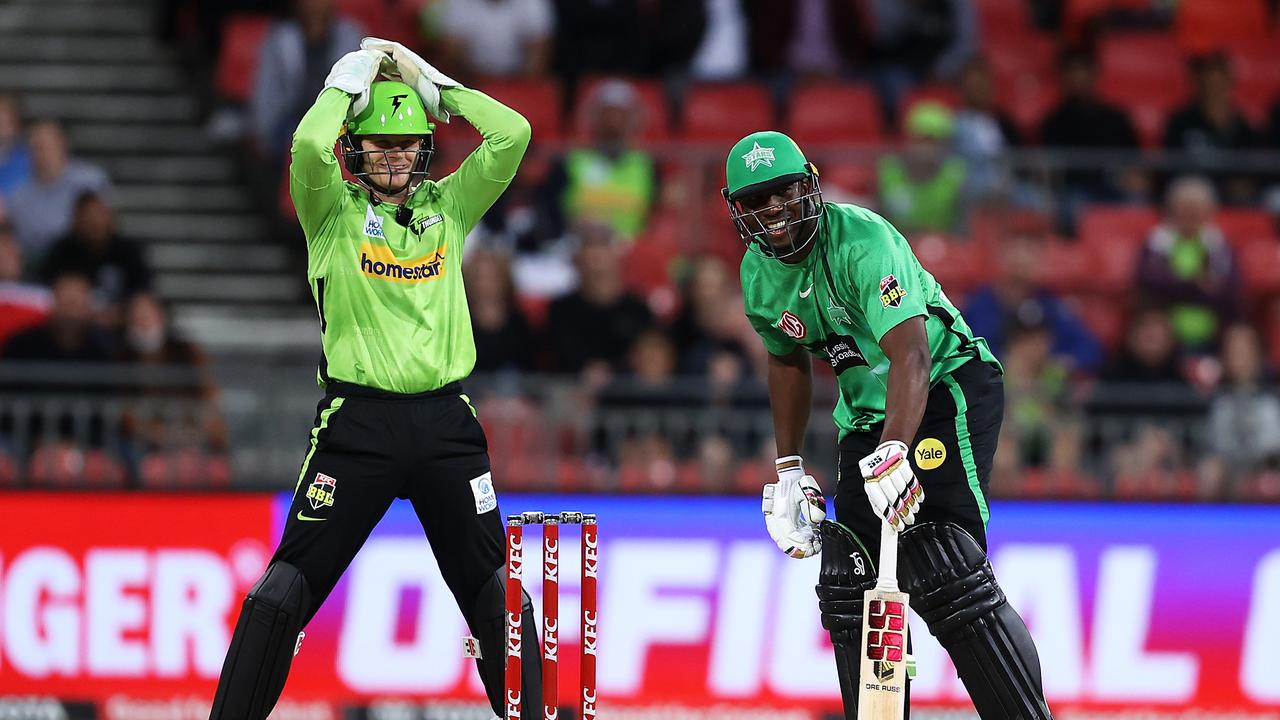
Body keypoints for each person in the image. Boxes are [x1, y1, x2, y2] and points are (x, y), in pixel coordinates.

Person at [208, 39, 540, 719]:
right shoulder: (328, 213)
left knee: (497, 594)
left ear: (425, 147)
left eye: (408, 143)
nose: (394, 155)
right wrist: (345, 80)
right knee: (282, 593)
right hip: (357, 427)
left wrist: (436, 87)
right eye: (378, 144)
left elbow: (513, 133)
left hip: (448, 426)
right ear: (354, 149)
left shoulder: (449, 207)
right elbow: (305, 149)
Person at [724, 130, 1051, 717]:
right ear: (737, 209)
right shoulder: (757, 275)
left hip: (946, 388)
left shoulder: (864, 240)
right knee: (849, 580)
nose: (772, 210)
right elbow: (787, 359)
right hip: (866, 417)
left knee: (948, 570)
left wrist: (897, 449)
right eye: (756, 201)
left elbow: (912, 356)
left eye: (783, 192)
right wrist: (790, 468)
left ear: (809, 186)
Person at [1135, 175, 1240, 352]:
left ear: (1209, 211)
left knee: (1239, 339)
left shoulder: (1220, 245)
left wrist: (1176, 285)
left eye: (1197, 209)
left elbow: (1231, 290)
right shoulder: (1157, 242)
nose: (1191, 214)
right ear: (1171, 210)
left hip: (1214, 332)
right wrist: (1197, 285)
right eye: (1185, 208)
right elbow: (1148, 283)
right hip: (1165, 333)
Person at [8, 121, 111, 266]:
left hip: (87, 261)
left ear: (62, 143)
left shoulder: (90, 181)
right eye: (34, 147)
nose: (40, 153)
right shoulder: (18, 196)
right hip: (39, 267)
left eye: (45, 145)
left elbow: (103, 228)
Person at [40, 191, 152, 318]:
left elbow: (142, 291)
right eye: (88, 216)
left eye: (99, 215)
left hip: (121, 319)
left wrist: (119, 311)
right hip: (74, 319)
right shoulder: (62, 250)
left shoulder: (128, 250)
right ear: (76, 219)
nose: (94, 222)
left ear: (110, 217)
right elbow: (46, 291)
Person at [876, 101, 968, 234]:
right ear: (907, 140)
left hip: (943, 246)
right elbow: (879, 222)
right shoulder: (888, 172)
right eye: (919, 140)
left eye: (933, 141)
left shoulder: (955, 175)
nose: (926, 148)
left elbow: (961, 228)